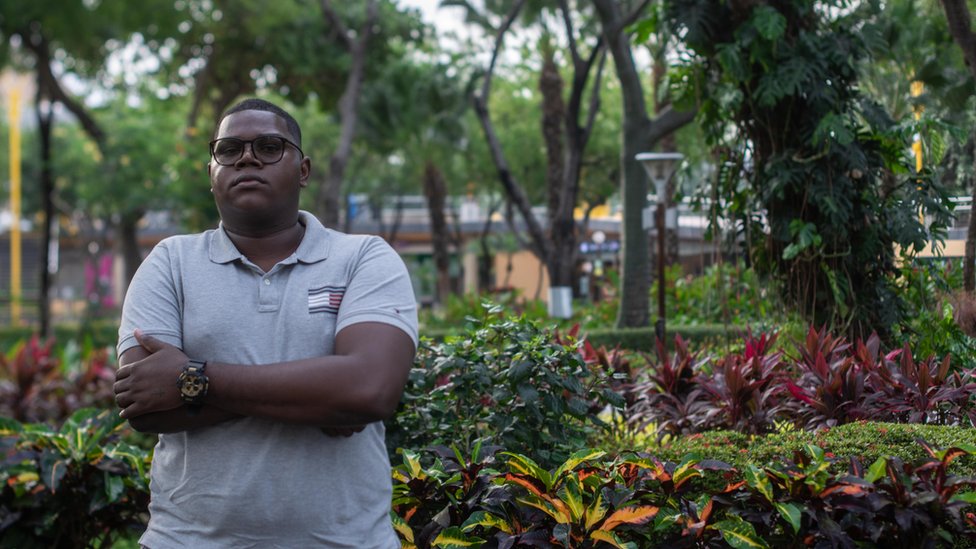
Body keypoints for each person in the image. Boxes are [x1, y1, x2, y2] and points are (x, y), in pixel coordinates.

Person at [113, 98, 418, 548]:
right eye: (229, 149)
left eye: (270, 147)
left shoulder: (364, 258)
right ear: (212, 171)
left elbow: (369, 389)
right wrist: (321, 394)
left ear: (303, 170)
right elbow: (146, 404)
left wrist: (192, 378)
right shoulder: (170, 262)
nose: (247, 158)